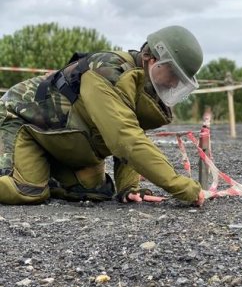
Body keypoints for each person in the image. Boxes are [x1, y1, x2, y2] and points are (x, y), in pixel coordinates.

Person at [0, 25, 208, 206]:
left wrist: (129, 188)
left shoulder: (141, 84)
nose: (173, 84)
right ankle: (31, 176)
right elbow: (124, 138)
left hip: (58, 139)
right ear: (153, 59)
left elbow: (130, 129)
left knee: (95, 192)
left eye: (180, 80)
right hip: (20, 119)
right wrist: (183, 188)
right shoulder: (107, 72)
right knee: (26, 190)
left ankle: (44, 172)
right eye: (173, 74)